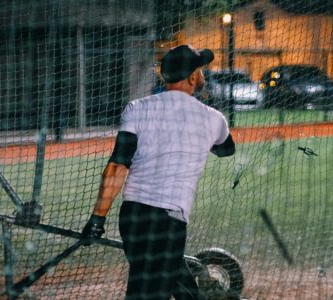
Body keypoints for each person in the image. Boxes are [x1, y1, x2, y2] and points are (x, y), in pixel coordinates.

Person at [82, 44, 236, 299]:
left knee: (181, 287)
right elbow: (226, 150)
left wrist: (98, 218)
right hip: (167, 222)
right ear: (192, 77)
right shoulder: (214, 119)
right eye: (200, 70)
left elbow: (118, 166)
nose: (202, 75)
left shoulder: (137, 108)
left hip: (132, 218)